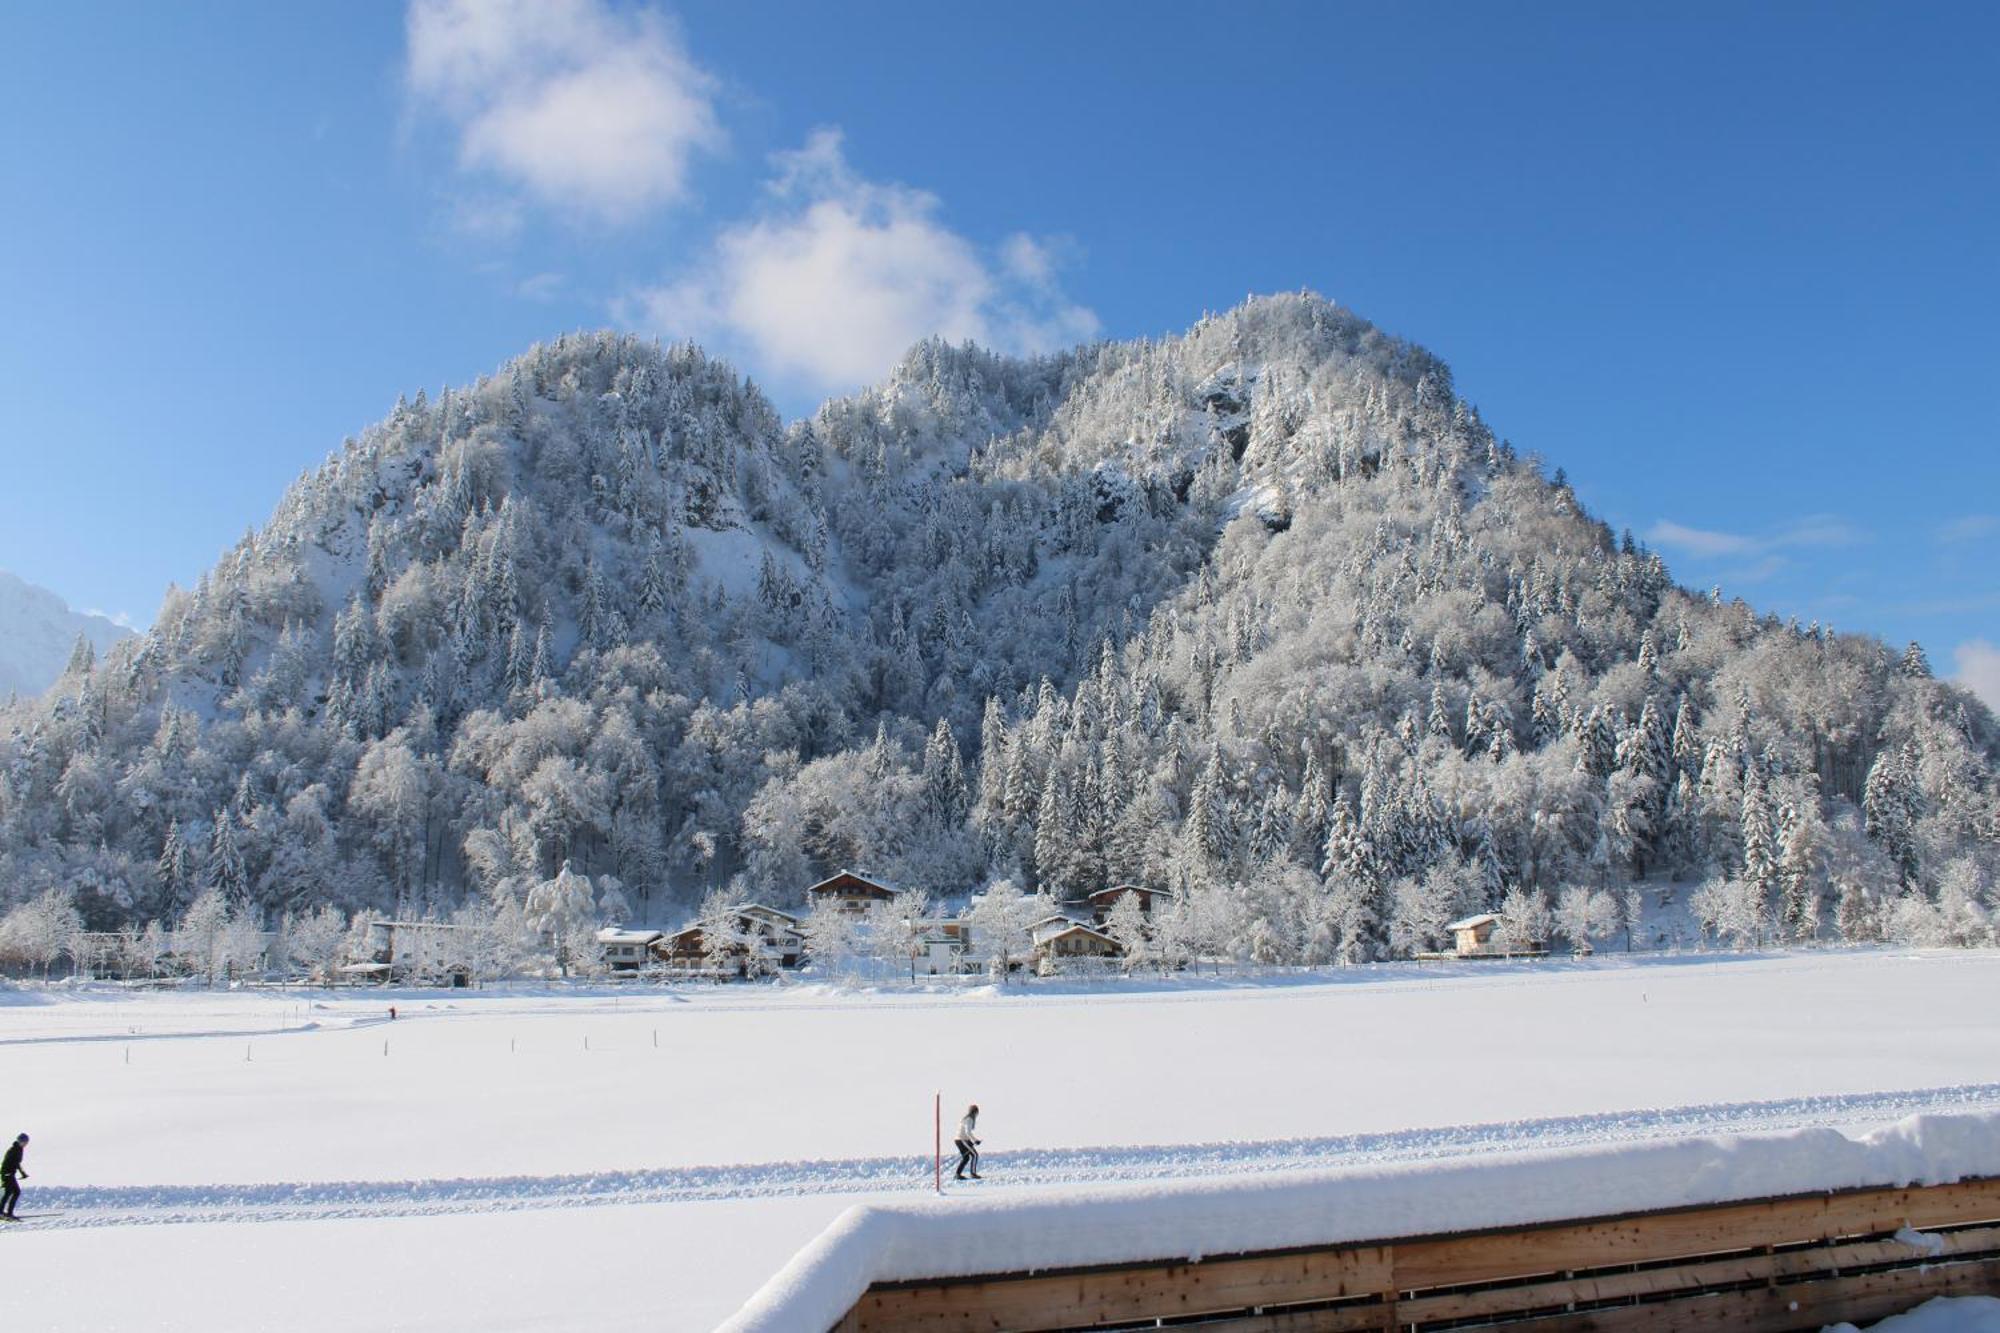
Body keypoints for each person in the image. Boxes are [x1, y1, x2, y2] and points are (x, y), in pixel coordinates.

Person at [1, 1133, 27, 1220]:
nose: (25, 1144)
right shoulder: (14, 1150)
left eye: (26, 1142)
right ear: (19, 1141)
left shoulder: (19, 1149)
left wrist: (23, 1173)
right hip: (7, 1174)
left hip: (10, 1174)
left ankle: (6, 1213)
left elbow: (17, 1163)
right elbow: (9, 1163)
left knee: (12, 1192)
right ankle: (5, 1213)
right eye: (23, 1141)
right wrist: (5, 1174)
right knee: (14, 1192)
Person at [953, 1104, 981, 1180]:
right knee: (974, 1155)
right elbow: (967, 1132)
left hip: (961, 1139)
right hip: (962, 1140)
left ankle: (957, 1174)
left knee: (966, 1158)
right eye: (977, 1113)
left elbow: (966, 1133)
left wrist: (971, 1141)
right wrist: (975, 1140)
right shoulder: (969, 1119)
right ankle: (973, 1174)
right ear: (975, 1112)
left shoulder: (966, 1118)